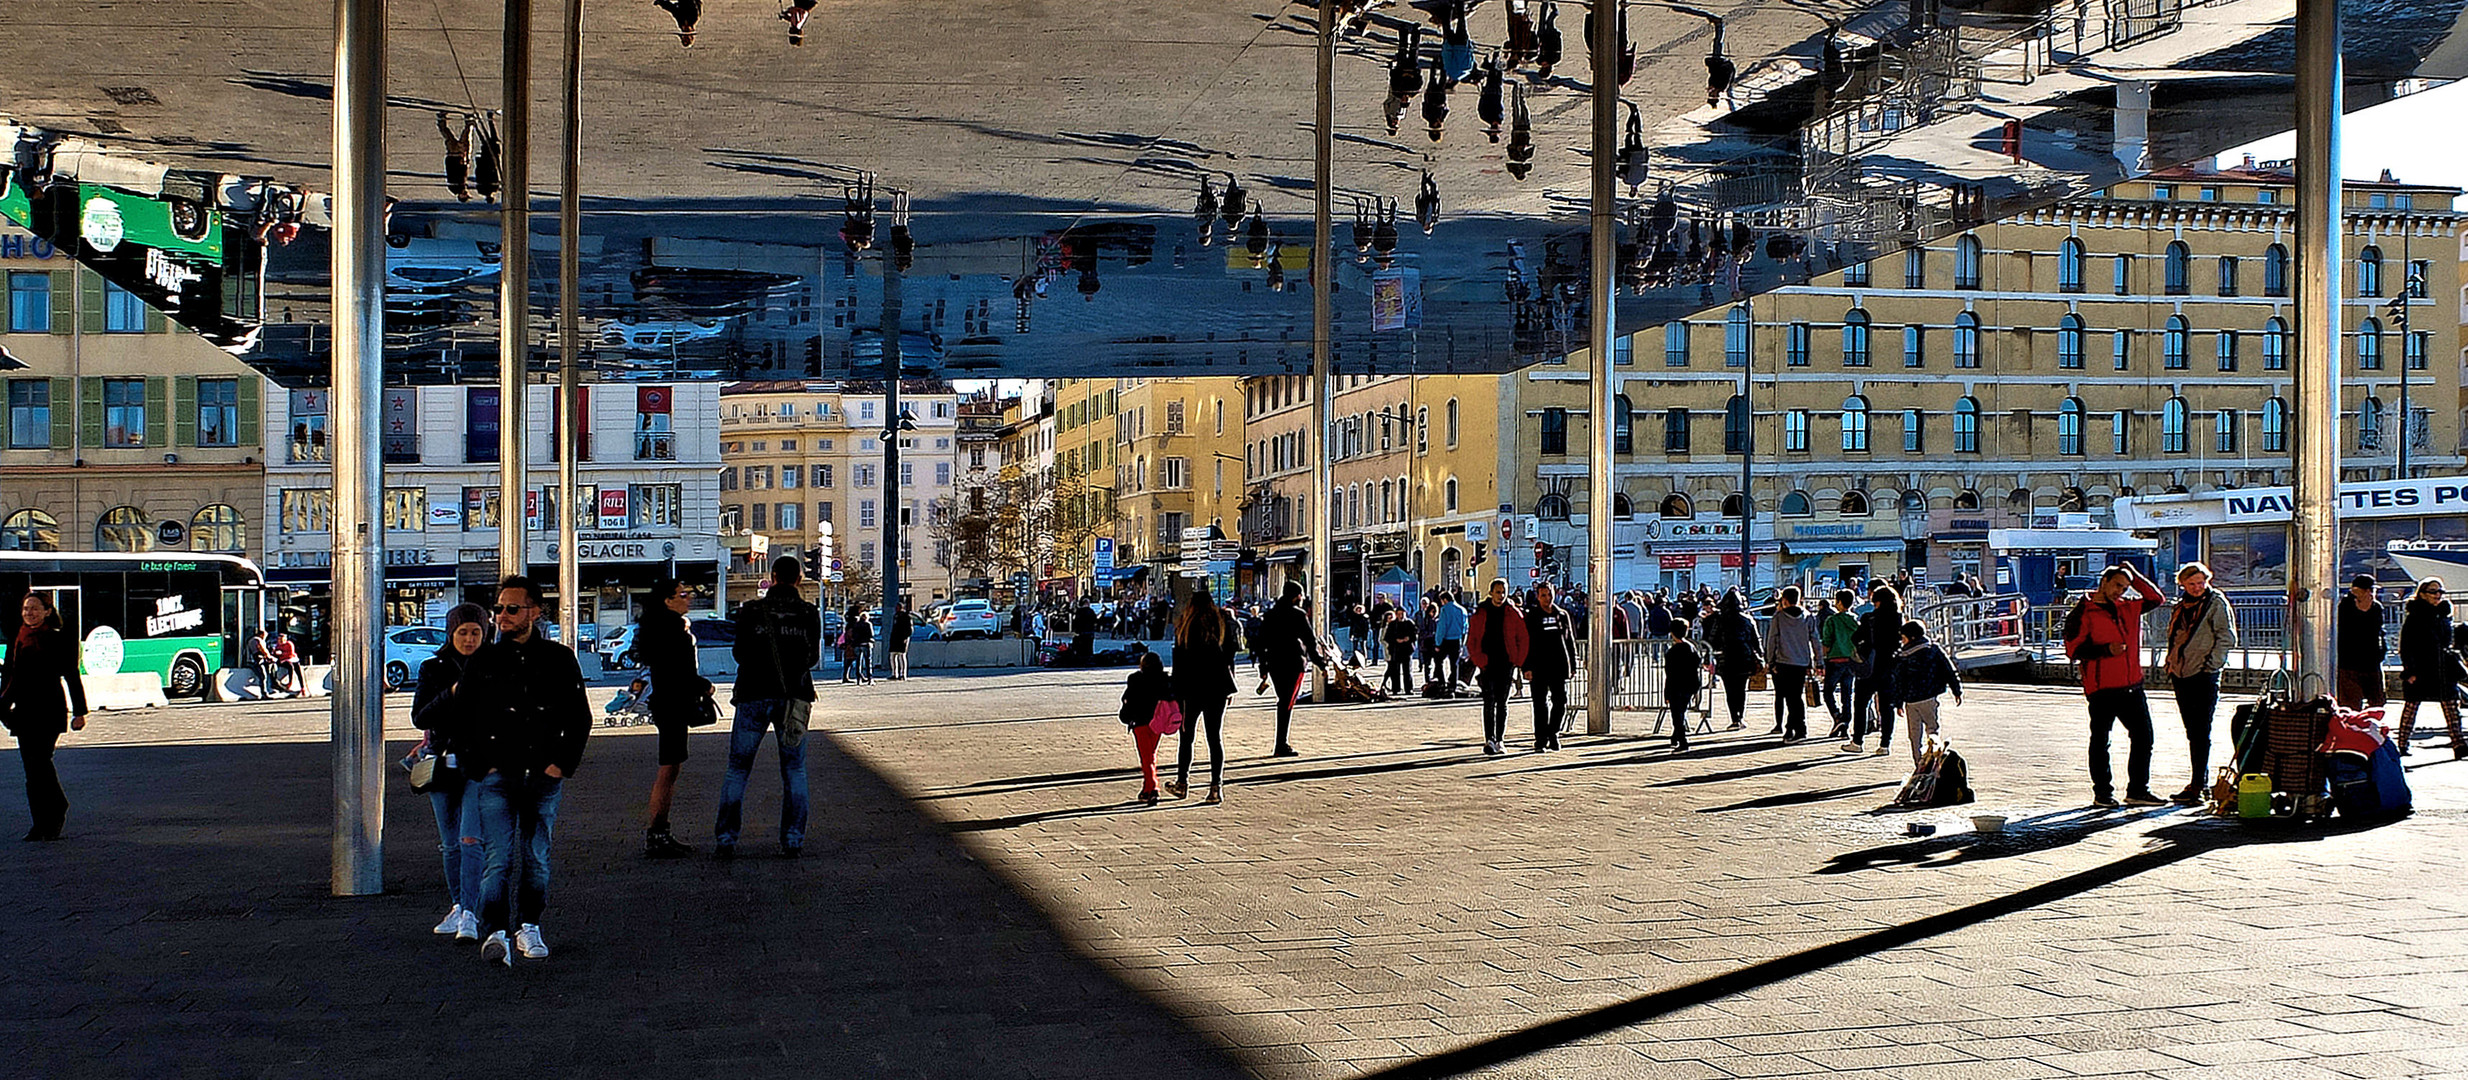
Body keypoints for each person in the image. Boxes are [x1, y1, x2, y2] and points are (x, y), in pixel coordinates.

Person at [431, 576, 591, 966]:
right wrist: (478, 766)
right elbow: (462, 717)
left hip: (541, 772)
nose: (502, 616)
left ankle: (529, 926)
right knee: (497, 856)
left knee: (536, 855)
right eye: (499, 609)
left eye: (512, 609)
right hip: (496, 774)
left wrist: (559, 765)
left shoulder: (558, 658)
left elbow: (580, 717)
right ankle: (497, 931)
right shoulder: (483, 659)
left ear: (535, 612)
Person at [717, 555, 820, 858]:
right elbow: (812, 657)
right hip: (793, 697)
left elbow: (739, 653)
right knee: (794, 770)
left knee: (738, 769)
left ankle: (726, 838)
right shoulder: (808, 612)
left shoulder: (750, 611)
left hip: (753, 694)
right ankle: (792, 838)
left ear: (773, 576)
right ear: (799, 579)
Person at [409, 603, 489, 938]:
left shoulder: (495, 666)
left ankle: (471, 911)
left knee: (470, 838)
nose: (469, 639)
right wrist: (453, 693)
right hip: (442, 762)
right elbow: (421, 716)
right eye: (462, 632)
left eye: (475, 632)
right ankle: (458, 905)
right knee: (450, 843)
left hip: (481, 764)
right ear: (450, 633)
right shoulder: (433, 667)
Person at [2064, 564, 2166, 809]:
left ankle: (2138, 790)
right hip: (2102, 689)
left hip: (2132, 685)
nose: (2121, 591)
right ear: (2104, 581)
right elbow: (2073, 650)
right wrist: (2105, 650)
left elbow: (2156, 598)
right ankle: (2102, 793)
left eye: (2125, 587)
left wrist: (2133, 572)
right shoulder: (2082, 612)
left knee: (2144, 737)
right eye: (2117, 585)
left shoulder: (2128, 608)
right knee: (2101, 740)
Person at [626, 578, 710, 859]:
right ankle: (657, 832)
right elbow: (682, 672)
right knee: (668, 769)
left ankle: (659, 831)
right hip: (673, 704)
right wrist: (704, 686)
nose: (689, 598)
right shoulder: (674, 630)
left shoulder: (657, 628)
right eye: (682, 594)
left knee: (671, 767)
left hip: (664, 703)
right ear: (668, 600)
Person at [1, 592, 87, 841]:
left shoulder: (57, 639)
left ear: (48, 611)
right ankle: (40, 824)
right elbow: (10, 677)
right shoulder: (18, 638)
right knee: (32, 771)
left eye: (35, 609)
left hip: (49, 710)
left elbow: (72, 675)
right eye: (26, 608)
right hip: (24, 712)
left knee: (40, 764)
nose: (30, 613)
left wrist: (80, 711)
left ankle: (56, 810)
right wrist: (2, 707)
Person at [2161, 562, 2238, 802]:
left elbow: (2227, 637)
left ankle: (2198, 784)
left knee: (2201, 729)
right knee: (2192, 729)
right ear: (2182, 583)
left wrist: (2211, 666)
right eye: (2192, 583)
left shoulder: (2215, 603)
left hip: (2204, 673)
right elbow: (2175, 636)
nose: (2197, 588)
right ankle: (2197, 782)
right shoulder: (2181, 606)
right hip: (2181, 672)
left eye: (2201, 582)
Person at [1169, 591, 1241, 804]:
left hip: (1190, 689)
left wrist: (1175, 691)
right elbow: (1230, 657)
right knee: (1214, 738)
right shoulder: (1222, 624)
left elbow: (1179, 662)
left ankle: (1182, 784)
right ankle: (1215, 788)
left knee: (1186, 737)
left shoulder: (1185, 626)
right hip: (1217, 687)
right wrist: (1230, 685)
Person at [2395, 577, 2466, 759]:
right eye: (2433, 592)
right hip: (2421, 668)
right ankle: (2402, 743)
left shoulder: (2443, 616)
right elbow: (2406, 646)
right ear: (2423, 594)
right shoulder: (2414, 618)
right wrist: (2409, 670)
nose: (2438, 595)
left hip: (2442, 667)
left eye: (2440, 592)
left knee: (2451, 706)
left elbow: (2447, 642)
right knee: (2411, 707)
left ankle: (2459, 745)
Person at [1254, 582, 1321, 758]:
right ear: (1296, 596)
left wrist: (1263, 666)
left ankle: (1281, 742)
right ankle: (1281, 743)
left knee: (1283, 700)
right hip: (1294, 662)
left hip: (1274, 662)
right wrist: (1319, 663)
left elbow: (1261, 642)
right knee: (1287, 703)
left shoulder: (1270, 615)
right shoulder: (1298, 614)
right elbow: (1310, 640)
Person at [1465, 578, 1529, 756]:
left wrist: (1517, 660)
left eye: (1503, 592)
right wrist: (1479, 660)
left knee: (1502, 702)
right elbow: (1472, 640)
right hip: (1487, 663)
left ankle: (1499, 739)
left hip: (1506, 663)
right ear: (1491, 592)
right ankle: (1489, 739)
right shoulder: (1481, 613)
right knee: (1488, 701)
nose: (1501, 595)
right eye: (1498, 591)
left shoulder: (1513, 613)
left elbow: (1522, 637)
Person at [1889, 620, 1961, 765]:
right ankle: (1934, 756)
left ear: (1911, 638)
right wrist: (1956, 690)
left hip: (1910, 701)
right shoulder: (1934, 649)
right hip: (1929, 697)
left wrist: (1898, 702)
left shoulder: (1902, 656)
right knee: (1932, 729)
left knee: (1914, 735)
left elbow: (1898, 681)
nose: (1902, 641)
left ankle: (1919, 762)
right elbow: (1949, 670)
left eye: (1903, 638)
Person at [1844, 585, 1904, 756]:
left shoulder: (1869, 617)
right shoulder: (1898, 618)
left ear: (1876, 601)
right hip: (1890, 666)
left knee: (1861, 704)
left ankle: (1857, 741)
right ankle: (1885, 744)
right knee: (1887, 707)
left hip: (1869, 667)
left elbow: (1856, 637)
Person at [1521, 582, 1576, 751]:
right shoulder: (1532, 616)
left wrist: (1573, 664)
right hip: (1538, 666)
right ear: (1538, 597)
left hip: (1558, 665)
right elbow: (1525, 642)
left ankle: (1553, 732)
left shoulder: (1562, 615)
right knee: (1540, 703)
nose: (1547, 598)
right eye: (1543, 595)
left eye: (1550, 595)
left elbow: (1569, 640)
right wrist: (1526, 667)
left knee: (1560, 701)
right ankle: (1540, 739)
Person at [1703, 589, 1762, 732]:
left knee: (1730, 690)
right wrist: (1761, 657)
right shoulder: (1747, 619)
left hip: (1725, 658)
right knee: (1741, 689)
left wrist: (1708, 657)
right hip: (1744, 658)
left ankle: (1734, 718)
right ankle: (1740, 716)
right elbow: (1756, 640)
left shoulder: (1719, 619)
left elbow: (1711, 640)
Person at [1767, 586, 1818, 744]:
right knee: (1796, 696)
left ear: (1785, 600)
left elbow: (1772, 640)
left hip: (1783, 662)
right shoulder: (1808, 616)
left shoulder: (1779, 617)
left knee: (1790, 697)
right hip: (1802, 662)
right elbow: (1815, 640)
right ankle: (1793, 728)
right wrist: (1818, 661)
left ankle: (1797, 729)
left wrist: (1770, 661)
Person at [1120, 653, 1173, 805]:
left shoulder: (1135, 679)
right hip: (1157, 722)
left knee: (1146, 757)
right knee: (1150, 754)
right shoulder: (1164, 679)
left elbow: (1127, 698)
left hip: (1140, 722)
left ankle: (1153, 788)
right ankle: (1146, 788)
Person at [2335, 574, 2388, 710]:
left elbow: (2379, 632)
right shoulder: (2344, 607)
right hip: (2349, 663)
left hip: (2372, 662)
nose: (2370, 593)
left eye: (2372, 590)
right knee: (2350, 704)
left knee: (2377, 702)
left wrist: (2382, 652)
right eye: (2367, 590)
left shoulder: (2376, 608)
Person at [1819, 589, 1859, 737]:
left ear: (1840, 602)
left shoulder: (1832, 620)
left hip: (1834, 660)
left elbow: (1827, 642)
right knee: (1847, 694)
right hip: (1851, 661)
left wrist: (1821, 659)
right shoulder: (1855, 620)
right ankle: (1845, 723)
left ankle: (1837, 717)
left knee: (1828, 691)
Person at [1662, 619, 1701, 753]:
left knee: (1677, 715)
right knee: (1681, 711)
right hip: (1690, 684)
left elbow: (1670, 674)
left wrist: (1666, 692)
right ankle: (1676, 737)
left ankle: (1682, 741)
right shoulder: (1691, 647)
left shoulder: (1672, 653)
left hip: (1676, 686)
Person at [1435, 590, 1469, 687]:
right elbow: (1465, 628)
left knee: (1438, 661)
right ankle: (1453, 685)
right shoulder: (1462, 610)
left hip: (1446, 639)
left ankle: (1442, 682)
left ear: (1445, 600)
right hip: (1457, 640)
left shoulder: (1444, 610)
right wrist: (1462, 642)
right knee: (1454, 664)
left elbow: (1442, 627)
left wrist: (1438, 643)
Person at [1382, 607, 1418, 695]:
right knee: (1395, 671)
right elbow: (1387, 637)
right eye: (1399, 614)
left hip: (1407, 649)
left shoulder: (1409, 623)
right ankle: (1396, 689)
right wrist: (1396, 640)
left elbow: (1415, 635)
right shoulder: (1393, 624)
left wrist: (1408, 638)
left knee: (1407, 671)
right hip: (1395, 649)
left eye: (1402, 614)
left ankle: (1408, 689)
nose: (1400, 616)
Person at [244, 628, 278, 698]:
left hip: (255, 660)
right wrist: (269, 657)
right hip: (254, 661)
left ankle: (270, 687)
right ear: (261, 635)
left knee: (270, 668)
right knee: (263, 675)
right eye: (265, 636)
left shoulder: (252, 640)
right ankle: (264, 692)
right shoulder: (257, 640)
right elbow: (263, 650)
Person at [845, 608, 875, 684]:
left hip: (857, 645)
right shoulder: (868, 624)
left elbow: (854, 635)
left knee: (858, 662)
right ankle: (870, 679)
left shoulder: (856, 625)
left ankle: (859, 679)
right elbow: (871, 634)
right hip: (866, 644)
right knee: (868, 662)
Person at [886, 602, 913, 681]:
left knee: (902, 656)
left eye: (897, 607)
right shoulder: (896, 616)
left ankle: (903, 674)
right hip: (895, 638)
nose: (896, 609)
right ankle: (894, 673)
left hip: (902, 638)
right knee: (892, 656)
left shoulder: (906, 616)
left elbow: (910, 629)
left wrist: (906, 637)